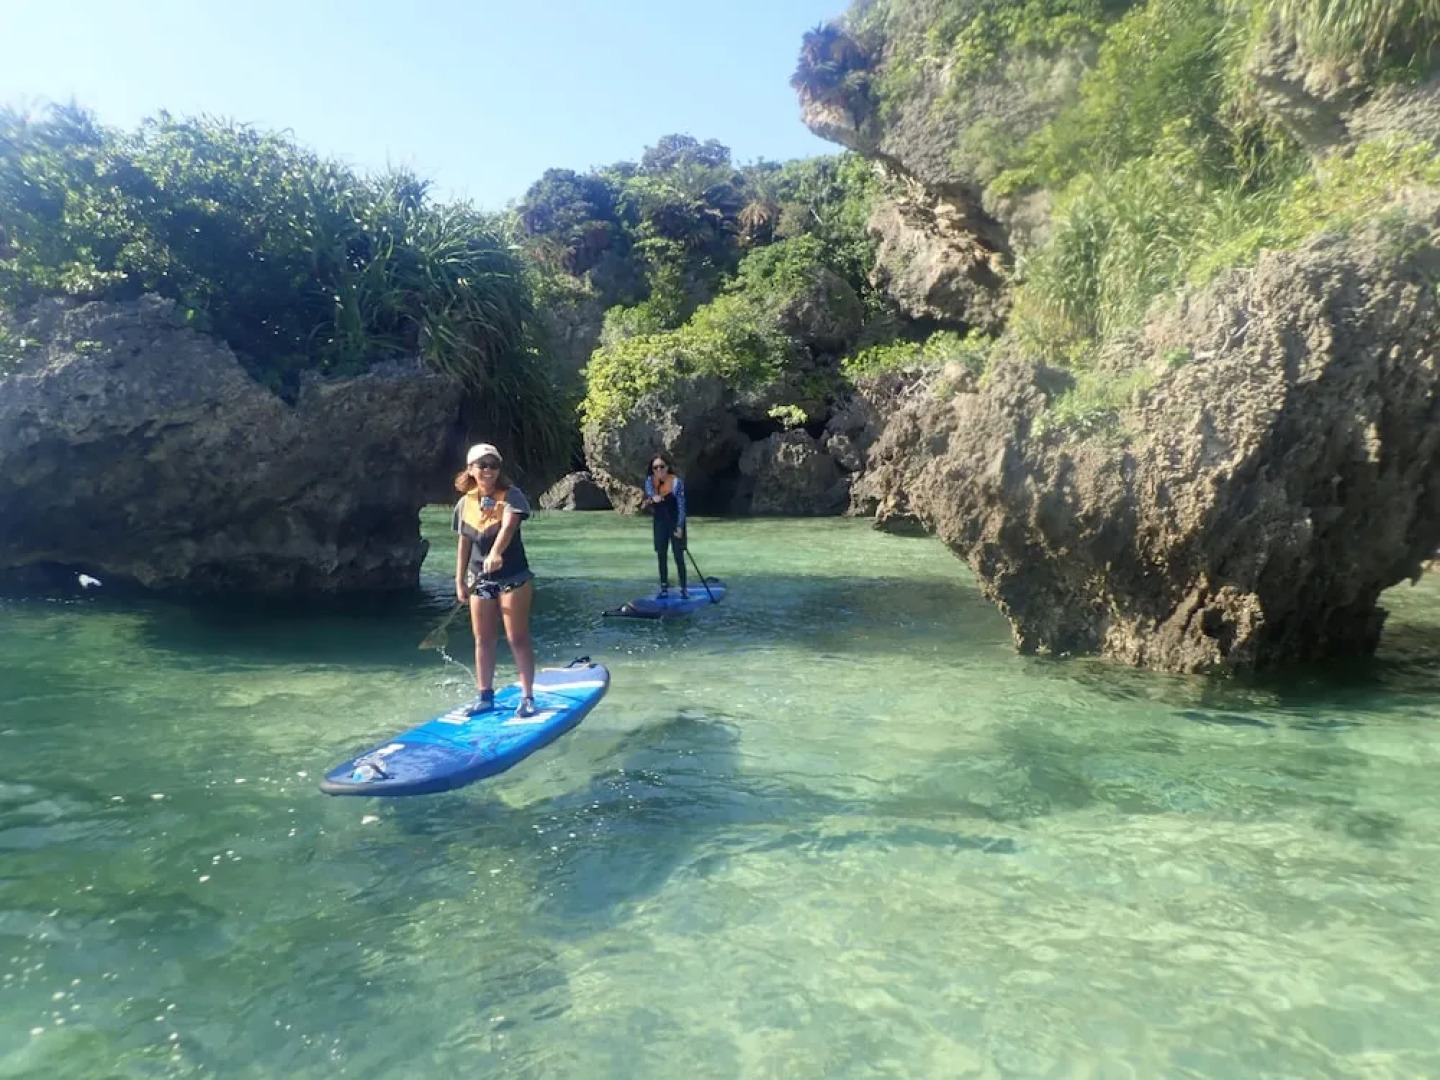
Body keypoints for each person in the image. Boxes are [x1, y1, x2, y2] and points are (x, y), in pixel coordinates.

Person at [453, 442, 536, 717]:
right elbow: (464, 543)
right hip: (480, 580)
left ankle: (527, 697)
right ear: (471, 469)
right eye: (483, 465)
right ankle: (485, 697)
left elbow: (509, 527)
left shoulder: (512, 496)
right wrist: (460, 581)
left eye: (494, 465)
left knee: (517, 637)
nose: (488, 470)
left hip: (513, 576)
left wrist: (497, 552)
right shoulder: (465, 503)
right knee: (483, 639)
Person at [644, 453, 687, 598]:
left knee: (678, 555)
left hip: (675, 522)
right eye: (655, 467)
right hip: (660, 522)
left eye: (661, 467)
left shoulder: (676, 483)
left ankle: (683, 588)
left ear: (667, 467)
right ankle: (664, 588)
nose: (658, 470)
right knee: (661, 554)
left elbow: (681, 506)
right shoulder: (650, 481)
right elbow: (649, 492)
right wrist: (653, 497)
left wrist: (680, 526)